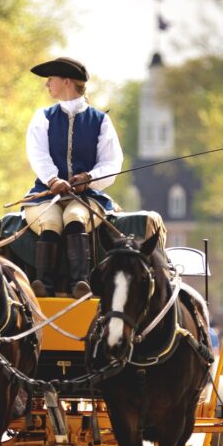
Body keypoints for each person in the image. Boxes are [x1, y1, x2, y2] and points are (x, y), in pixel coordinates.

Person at [22, 56, 133, 297]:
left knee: (74, 216)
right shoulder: (43, 117)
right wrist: (53, 179)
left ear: (67, 82)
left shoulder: (101, 121)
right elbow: (37, 154)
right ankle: (43, 284)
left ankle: (80, 283)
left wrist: (89, 178)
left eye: (51, 79)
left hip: (87, 198)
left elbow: (112, 162)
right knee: (50, 221)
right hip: (45, 196)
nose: (47, 84)